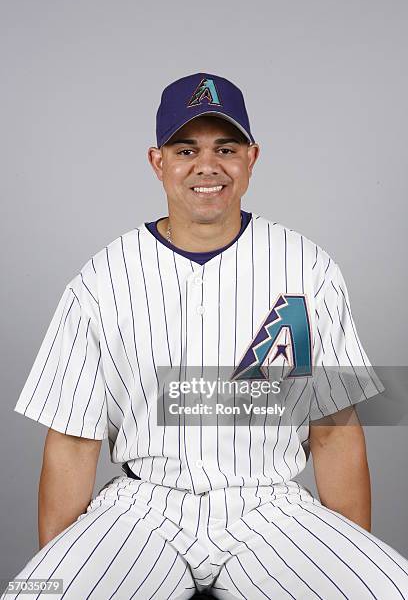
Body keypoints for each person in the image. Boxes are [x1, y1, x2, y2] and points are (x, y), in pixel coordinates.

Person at [3, 72, 408, 599]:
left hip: (269, 504)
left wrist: (348, 558)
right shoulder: (103, 278)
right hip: (142, 506)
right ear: (158, 161)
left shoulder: (308, 268)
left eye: (227, 147)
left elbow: (334, 429)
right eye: (185, 148)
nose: (207, 166)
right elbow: (73, 441)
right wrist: (57, 566)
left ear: (252, 158)